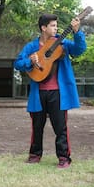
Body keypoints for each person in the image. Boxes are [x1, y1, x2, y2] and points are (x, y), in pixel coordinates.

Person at [14, 14, 86, 169]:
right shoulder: (32, 47)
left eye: (56, 25)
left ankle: (64, 157)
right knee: (37, 126)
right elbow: (18, 63)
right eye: (53, 25)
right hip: (38, 93)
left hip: (58, 93)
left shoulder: (63, 43)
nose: (56, 28)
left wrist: (77, 32)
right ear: (43, 28)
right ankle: (35, 155)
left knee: (60, 127)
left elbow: (79, 49)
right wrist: (30, 61)